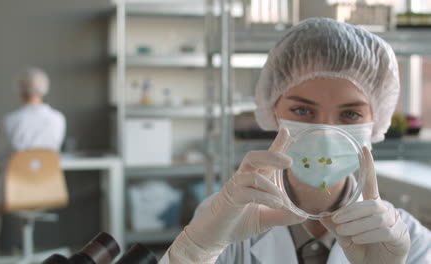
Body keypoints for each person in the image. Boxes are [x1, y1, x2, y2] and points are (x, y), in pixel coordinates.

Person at [159, 18, 431, 264]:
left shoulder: (409, 243)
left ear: (376, 121)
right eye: (303, 111)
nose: (325, 132)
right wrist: (195, 250)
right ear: (273, 112)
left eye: (350, 114)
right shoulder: (225, 221)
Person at [0, 67, 66, 255]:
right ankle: (23, 249)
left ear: (20, 90)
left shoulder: (11, 121)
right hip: (48, 187)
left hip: (15, 189)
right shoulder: (58, 119)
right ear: (44, 89)